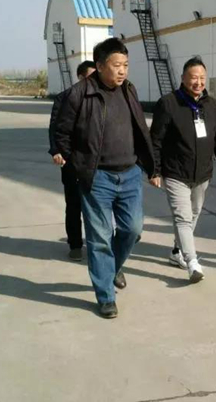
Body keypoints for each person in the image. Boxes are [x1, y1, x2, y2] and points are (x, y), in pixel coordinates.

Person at [54, 38, 155, 319]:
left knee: (133, 230)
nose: (122, 71)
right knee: (99, 239)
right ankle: (106, 296)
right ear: (99, 66)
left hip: (130, 173)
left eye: (125, 65)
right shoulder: (79, 94)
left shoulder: (129, 90)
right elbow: (62, 132)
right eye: (116, 65)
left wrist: (151, 165)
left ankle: (112, 268)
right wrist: (75, 162)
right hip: (97, 177)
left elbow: (139, 129)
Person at [149, 56, 216, 283]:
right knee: (183, 217)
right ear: (183, 78)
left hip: (202, 173)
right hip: (175, 172)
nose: (198, 82)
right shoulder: (169, 103)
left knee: (193, 214)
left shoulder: (211, 105)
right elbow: (155, 140)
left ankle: (177, 252)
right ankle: (192, 262)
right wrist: (154, 170)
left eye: (202, 78)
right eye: (194, 77)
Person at [48, 60, 96, 261]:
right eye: (90, 76)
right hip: (72, 159)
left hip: (96, 161)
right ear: (80, 77)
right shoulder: (65, 97)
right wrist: (57, 150)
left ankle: (97, 246)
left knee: (97, 207)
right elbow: (55, 127)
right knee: (74, 204)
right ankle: (75, 244)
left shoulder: (103, 97)